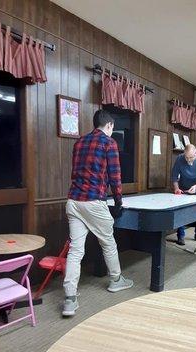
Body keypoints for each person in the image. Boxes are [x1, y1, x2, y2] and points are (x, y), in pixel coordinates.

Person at [62, 110, 133, 317]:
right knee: (108, 242)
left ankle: (69, 298)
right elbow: (115, 175)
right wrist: (118, 201)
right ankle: (116, 280)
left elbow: (76, 171)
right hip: (94, 201)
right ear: (110, 125)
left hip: (74, 201)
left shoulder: (79, 142)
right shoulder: (108, 143)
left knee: (76, 250)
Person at [172, 144, 196, 246]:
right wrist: (176, 188)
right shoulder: (180, 159)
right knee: (181, 212)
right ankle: (180, 236)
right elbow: (174, 176)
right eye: (186, 157)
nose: (188, 160)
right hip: (183, 188)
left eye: (191, 157)